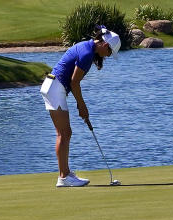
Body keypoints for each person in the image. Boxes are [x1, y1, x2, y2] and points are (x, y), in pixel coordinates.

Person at [40, 26, 121, 187]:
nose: (108, 56)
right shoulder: (87, 53)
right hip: (55, 88)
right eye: (110, 52)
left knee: (64, 133)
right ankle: (63, 177)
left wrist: (79, 104)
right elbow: (74, 82)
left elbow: (73, 82)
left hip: (52, 86)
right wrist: (82, 106)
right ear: (106, 46)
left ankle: (65, 174)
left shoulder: (86, 46)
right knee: (64, 133)